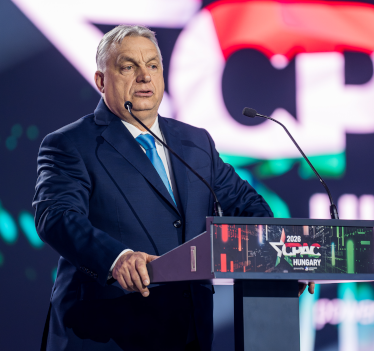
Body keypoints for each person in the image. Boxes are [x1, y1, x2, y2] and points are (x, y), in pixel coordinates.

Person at [33, 25, 279, 351]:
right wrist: (116, 258)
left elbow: (247, 205)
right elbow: (57, 216)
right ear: (101, 81)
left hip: (187, 333)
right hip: (105, 333)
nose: (144, 76)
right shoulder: (70, 144)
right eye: (128, 66)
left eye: (152, 65)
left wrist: (279, 257)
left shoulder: (195, 142)